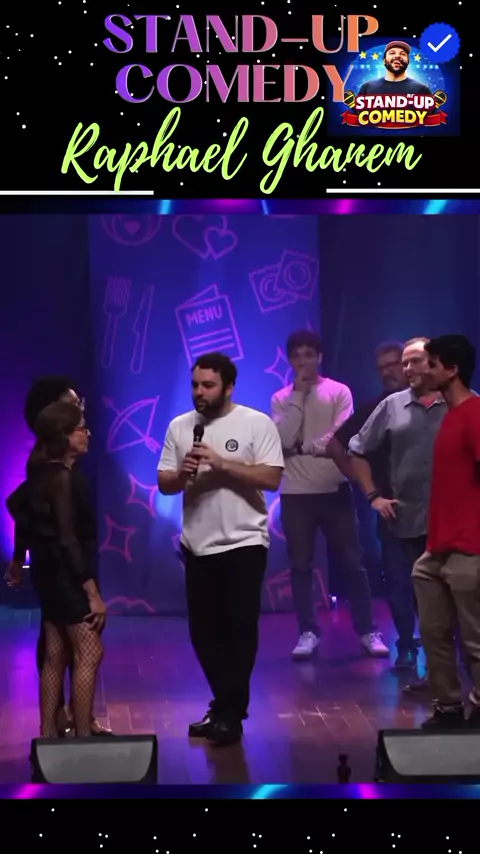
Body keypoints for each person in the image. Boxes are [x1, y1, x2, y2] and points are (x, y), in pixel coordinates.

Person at [157, 352, 284, 746]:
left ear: (228, 387)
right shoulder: (180, 427)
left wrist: (223, 464)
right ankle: (226, 706)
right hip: (197, 544)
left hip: (244, 541)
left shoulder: (255, 423)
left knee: (239, 629)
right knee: (203, 634)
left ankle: (229, 713)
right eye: (195, 384)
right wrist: (182, 474)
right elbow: (164, 483)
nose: (200, 392)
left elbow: (271, 478)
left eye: (208, 385)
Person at [270, 329, 388, 659]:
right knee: (300, 564)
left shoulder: (338, 391)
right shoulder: (281, 398)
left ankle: (367, 630)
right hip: (295, 493)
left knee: (353, 562)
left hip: (335, 488)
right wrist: (298, 398)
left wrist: (305, 446)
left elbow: (341, 436)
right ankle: (307, 632)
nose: (303, 361)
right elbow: (282, 441)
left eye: (309, 354)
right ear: (290, 360)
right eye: (297, 356)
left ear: (319, 357)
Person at [4, 376, 110, 736]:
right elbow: (67, 538)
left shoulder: (41, 469)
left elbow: (20, 510)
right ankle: (82, 736)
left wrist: (18, 558)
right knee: (88, 650)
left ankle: (49, 735)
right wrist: (92, 591)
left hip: (48, 574)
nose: (87, 430)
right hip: (66, 574)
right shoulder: (61, 477)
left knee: (54, 653)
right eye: (80, 426)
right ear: (62, 433)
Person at [348, 338, 447, 676]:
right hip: (400, 517)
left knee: (447, 592)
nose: (405, 369)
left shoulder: (460, 403)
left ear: (434, 362)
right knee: (400, 586)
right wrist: (373, 496)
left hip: (449, 518)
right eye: (402, 363)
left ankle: (445, 662)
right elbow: (355, 449)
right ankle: (406, 647)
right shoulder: (390, 406)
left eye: (412, 361)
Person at [327, 341, 422, 669]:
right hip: (393, 511)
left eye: (393, 364)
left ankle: (444, 651)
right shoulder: (377, 409)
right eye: (381, 368)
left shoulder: (438, 403)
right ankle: (407, 647)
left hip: (434, 511)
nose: (388, 372)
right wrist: (367, 487)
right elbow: (338, 445)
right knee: (398, 582)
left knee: (437, 585)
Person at [412, 335, 480, 729]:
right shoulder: (450, 415)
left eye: (432, 363)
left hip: (469, 545)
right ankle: (448, 706)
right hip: (437, 547)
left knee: (474, 637)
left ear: (452, 370)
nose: (426, 370)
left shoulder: (474, 413)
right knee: (433, 631)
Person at [357, 41, 432, 96]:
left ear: (408, 61)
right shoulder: (367, 88)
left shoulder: (422, 89)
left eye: (403, 54)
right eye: (392, 53)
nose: (398, 56)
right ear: (384, 61)